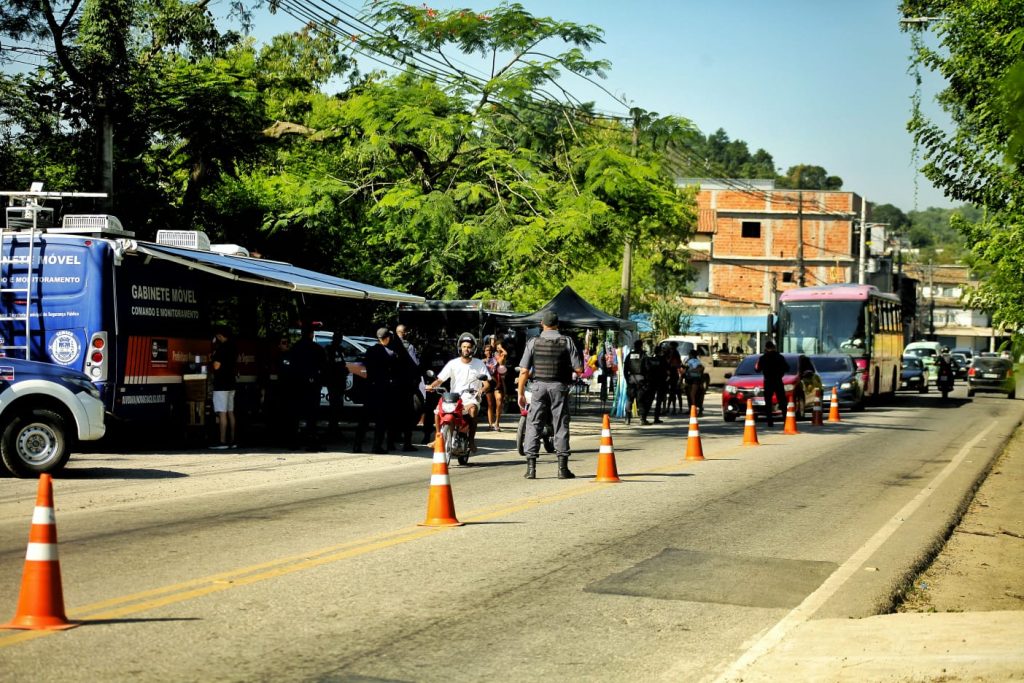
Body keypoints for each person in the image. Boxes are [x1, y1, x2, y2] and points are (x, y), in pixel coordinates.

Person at [516, 311, 584, 479]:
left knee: (534, 424)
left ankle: (531, 469)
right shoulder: (567, 341)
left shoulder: (533, 342)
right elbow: (579, 369)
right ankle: (562, 469)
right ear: (557, 324)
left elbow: (524, 371)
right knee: (560, 425)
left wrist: (520, 393)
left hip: (538, 387)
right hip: (559, 388)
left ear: (542, 324)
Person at [425, 332, 490, 453]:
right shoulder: (453, 363)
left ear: (473, 349)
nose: (466, 349)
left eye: (469, 347)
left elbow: (487, 383)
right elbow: (440, 379)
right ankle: (438, 438)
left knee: (473, 410)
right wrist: (431, 386)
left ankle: (471, 440)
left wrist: (481, 390)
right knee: (437, 411)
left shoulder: (479, 364)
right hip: (454, 398)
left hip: (471, 397)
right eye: (464, 346)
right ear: (460, 348)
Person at [356, 328, 400, 453]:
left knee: (364, 418)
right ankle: (377, 446)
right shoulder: (390, 353)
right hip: (383, 389)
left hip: (370, 387)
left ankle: (357, 445)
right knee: (381, 419)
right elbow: (395, 369)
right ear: (387, 338)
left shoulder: (370, 350)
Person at [287, 324, 327, 447]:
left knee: (295, 413)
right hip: (312, 384)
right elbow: (323, 367)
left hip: (297, 384)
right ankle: (311, 439)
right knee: (312, 413)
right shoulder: (317, 348)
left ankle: (294, 440)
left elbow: (290, 365)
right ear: (311, 334)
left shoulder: (294, 348)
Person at [209, 325, 238, 449]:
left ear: (220, 336)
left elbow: (216, 366)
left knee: (222, 413)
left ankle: (222, 442)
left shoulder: (221, 348)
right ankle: (233, 440)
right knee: (230, 412)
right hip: (231, 383)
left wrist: (212, 358)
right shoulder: (233, 347)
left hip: (221, 384)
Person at [755, 340, 788, 427]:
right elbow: (787, 368)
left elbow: (757, 369)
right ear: (774, 347)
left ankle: (770, 421)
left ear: (766, 348)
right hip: (778, 381)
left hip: (768, 381)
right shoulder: (780, 357)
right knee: (782, 401)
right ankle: (786, 420)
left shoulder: (763, 358)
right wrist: (781, 372)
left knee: (768, 402)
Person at [324, 333, 349, 438]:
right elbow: (331, 366)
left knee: (338, 406)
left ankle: (334, 427)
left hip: (339, 382)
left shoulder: (340, 349)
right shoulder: (330, 350)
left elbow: (341, 364)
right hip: (334, 381)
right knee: (334, 406)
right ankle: (332, 428)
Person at [623, 339, 646, 422]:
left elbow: (625, 369)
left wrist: (627, 379)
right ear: (641, 346)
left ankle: (627, 418)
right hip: (641, 379)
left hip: (631, 378)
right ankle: (642, 419)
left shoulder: (629, 355)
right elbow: (647, 368)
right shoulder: (643, 355)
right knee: (641, 399)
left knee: (630, 399)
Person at [683, 348, 706, 416]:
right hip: (692, 380)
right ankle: (693, 409)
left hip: (694, 380)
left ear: (691, 355)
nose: (689, 355)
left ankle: (694, 409)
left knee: (692, 395)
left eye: (689, 354)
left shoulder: (693, 361)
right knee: (693, 395)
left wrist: (692, 370)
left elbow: (700, 368)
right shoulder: (695, 361)